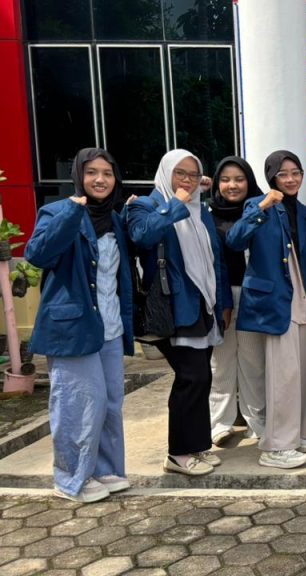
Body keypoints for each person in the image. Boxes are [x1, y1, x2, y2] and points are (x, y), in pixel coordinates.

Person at [26, 148, 134, 502]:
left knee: (109, 403)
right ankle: (71, 477)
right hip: (72, 328)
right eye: (91, 172)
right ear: (78, 176)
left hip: (110, 325)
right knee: (78, 404)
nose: (100, 179)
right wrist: (72, 213)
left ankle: (105, 469)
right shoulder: (59, 211)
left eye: (107, 173)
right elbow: (38, 255)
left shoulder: (114, 218)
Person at [127, 149, 230, 477]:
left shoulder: (201, 210)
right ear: (166, 173)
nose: (187, 180)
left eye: (193, 174)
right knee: (191, 377)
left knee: (202, 377)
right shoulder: (144, 205)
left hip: (202, 304)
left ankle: (197, 445)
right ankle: (178, 453)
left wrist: (222, 303)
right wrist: (176, 204)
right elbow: (142, 236)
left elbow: (215, 259)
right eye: (180, 173)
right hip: (172, 307)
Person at [226, 151, 306, 469]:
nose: (291, 179)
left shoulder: (303, 211)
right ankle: (276, 446)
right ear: (272, 177)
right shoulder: (257, 204)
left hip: (302, 296)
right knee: (283, 374)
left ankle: (296, 432)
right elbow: (234, 240)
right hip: (275, 301)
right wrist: (262, 207)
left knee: (303, 369)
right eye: (283, 174)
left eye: (296, 172)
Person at [208, 157, 266, 446]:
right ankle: (219, 423)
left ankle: (257, 421)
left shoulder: (261, 210)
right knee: (221, 363)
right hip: (221, 295)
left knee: (253, 362)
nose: (232, 185)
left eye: (239, 179)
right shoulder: (207, 215)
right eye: (226, 179)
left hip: (254, 295)